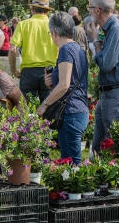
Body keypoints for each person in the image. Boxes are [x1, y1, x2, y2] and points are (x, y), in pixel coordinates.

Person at [37, 11, 88, 164]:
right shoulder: (78, 48)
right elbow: (71, 79)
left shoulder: (65, 50)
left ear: (54, 33)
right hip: (79, 109)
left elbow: (65, 85)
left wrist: (44, 105)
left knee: (71, 165)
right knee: (72, 163)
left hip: (70, 112)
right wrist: (52, 82)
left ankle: (74, 189)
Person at [86, 0, 119, 154]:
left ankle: (115, 181)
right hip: (109, 94)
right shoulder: (110, 29)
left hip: (117, 94)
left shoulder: (116, 30)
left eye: (90, 8)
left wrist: (94, 39)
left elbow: (106, 64)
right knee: (99, 147)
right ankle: (100, 179)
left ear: (97, 10)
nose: (89, 12)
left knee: (115, 148)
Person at [9, 0, 58, 103]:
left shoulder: (23, 25)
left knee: (26, 108)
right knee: (49, 107)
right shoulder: (54, 26)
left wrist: (13, 69)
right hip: (49, 70)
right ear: (48, 11)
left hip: (28, 71)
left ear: (32, 9)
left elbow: (12, 49)